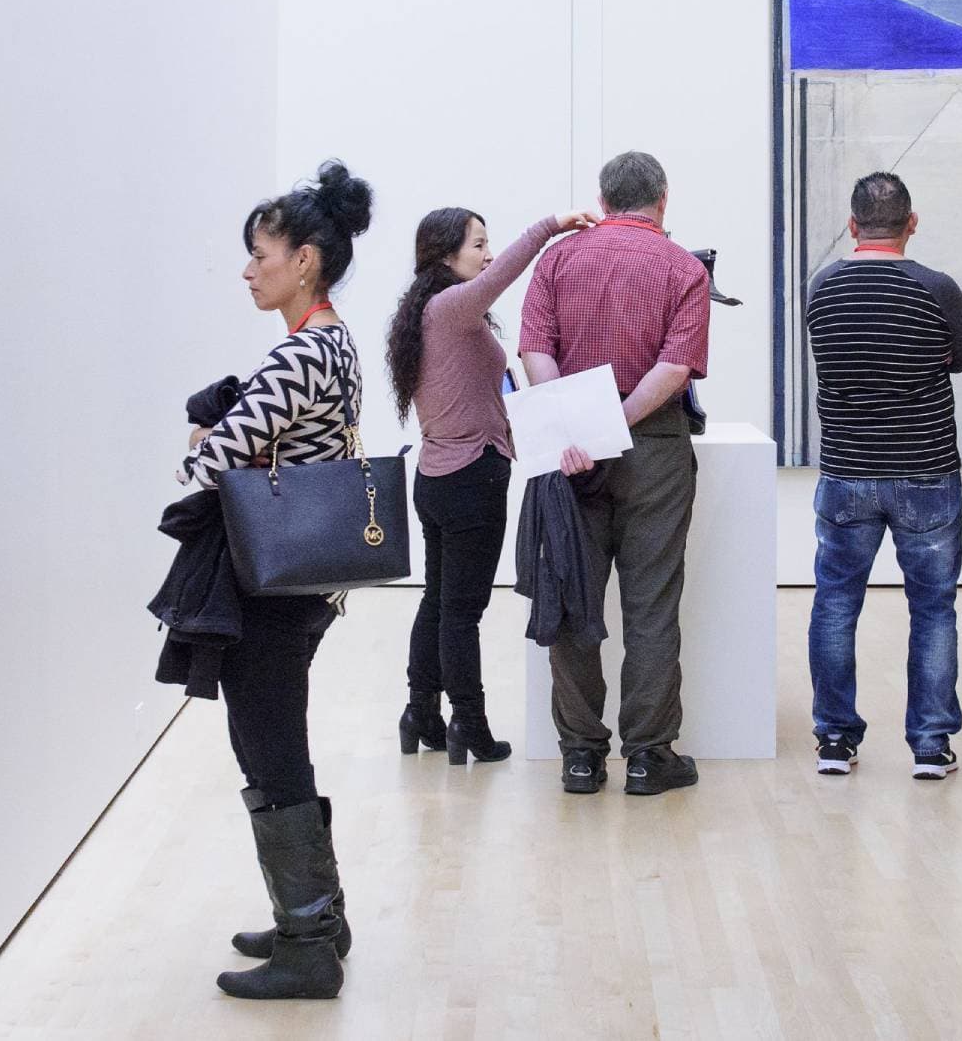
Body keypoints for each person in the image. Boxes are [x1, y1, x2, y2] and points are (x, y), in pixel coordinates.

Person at [179, 161, 375, 999]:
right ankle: (318, 914)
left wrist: (202, 428)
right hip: (304, 584)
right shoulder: (337, 342)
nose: (249, 269)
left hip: (271, 589)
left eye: (261, 254)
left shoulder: (299, 355)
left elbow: (208, 462)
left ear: (305, 260)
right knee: (273, 739)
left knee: (270, 746)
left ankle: (306, 942)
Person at [520, 151, 714, 797]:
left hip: (572, 452)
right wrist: (616, 425)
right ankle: (647, 756)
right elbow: (674, 369)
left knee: (573, 598)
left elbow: (535, 351)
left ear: (603, 202)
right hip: (653, 448)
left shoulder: (558, 260)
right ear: (662, 199)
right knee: (651, 603)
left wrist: (575, 426)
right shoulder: (683, 267)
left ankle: (579, 755)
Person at [385, 206, 596, 764]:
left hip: (436, 479)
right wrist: (553, 225)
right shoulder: (452, 308)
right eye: (478, 245)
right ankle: (469, 726)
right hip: (471, 479)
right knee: (462, 612)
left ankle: (422, 713)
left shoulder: (429, 312)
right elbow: (506, 273)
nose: (489, 254)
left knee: (439, 602)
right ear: (446, 255)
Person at [804, 172, 962, 781]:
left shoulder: (822, 288)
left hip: (846, 471)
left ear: (852, 225)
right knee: (933, 609)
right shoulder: (936, 288)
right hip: (926, 471)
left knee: (834, 603)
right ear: (912, 223)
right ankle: (930, 745)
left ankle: (834, 740)